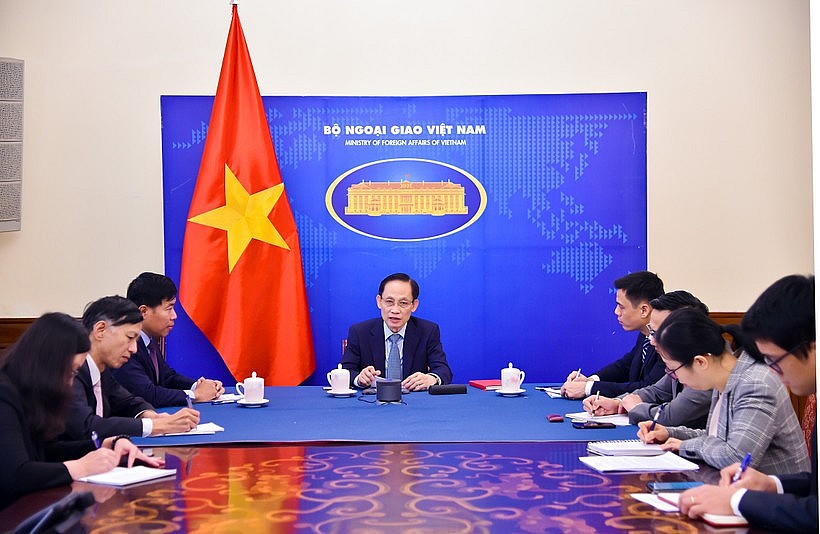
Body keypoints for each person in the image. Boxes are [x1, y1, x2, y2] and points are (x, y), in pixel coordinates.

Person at [679, 274, 817, 531]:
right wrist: (772, 484)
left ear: (812, 348)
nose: (772, 372)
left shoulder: (755, 381)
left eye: (774, 360)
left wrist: (739, 500)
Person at [0, 313, 162, 509]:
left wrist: (104, 446)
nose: (70, 383)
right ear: (46, 363)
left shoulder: (28, 393)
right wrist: (80, 467)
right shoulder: (4, 395)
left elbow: (46, 451)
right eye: (70, 372)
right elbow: (15, 475)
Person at [636, 307, 809, 475]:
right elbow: (717, 437)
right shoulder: (726, 377)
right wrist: (669, 433)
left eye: (673, 371)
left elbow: (736, 457)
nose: (676, 378)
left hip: (778, 497)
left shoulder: (755, 384)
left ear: (700, 362)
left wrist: (684, 446)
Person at [64, 296, 201, 440]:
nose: (134, 349)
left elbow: (127, 401)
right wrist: (154, 426)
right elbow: (86, 426)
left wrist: (150, 415)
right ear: (100, 330)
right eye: (130, 338)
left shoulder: (102, 370)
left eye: (136, 341)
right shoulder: (70, 371)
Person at [583, 291, 712, 428]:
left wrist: (635, 408)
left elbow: (670, 417)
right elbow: (656, 391)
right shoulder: (683, 357)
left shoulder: (706, 365)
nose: (651, 340)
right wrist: (617, 403)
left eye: (657, 333)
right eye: (651, 331)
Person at [111, 272, 223, 407]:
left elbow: (168, 377)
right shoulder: (125, 346)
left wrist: (200, 386)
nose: (174, 316)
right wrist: (196, 395)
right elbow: (147, 394)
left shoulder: (149, 340)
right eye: (168, 308)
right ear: (143, 312)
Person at [340, 273, 453, 391]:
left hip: (414, 403)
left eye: (403, 303)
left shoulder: (428, 331)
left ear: (414, 305)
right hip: (371, 403)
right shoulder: (360, 332)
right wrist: (359, 379)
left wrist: (431, 379)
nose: (395, 310)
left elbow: (443, 370)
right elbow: (345, 370)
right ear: (379, 301)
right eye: (389, 301)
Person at [561, 270, 665, 399]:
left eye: (621, 307)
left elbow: (649, 388)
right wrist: (590, 380)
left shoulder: (667, 342)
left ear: (644, 310)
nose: (616, 312)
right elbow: (625, 366)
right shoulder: (645, 334)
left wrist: (588, 389)